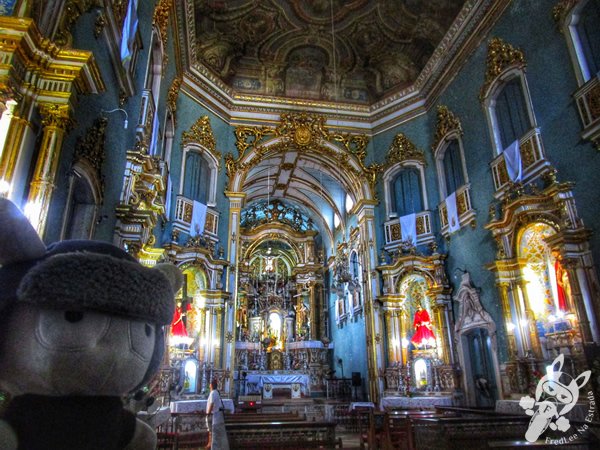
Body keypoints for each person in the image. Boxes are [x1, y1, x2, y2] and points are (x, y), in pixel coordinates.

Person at [206, 379, 229, 450]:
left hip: (213, 416)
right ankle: (211, 445)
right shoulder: (216, 392)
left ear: (211, 385)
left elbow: (212, 404)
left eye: (210, 384)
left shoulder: (213, 393)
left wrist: (208, 413)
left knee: (212, 432)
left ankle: (213, 446)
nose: (209, 386)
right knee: (212, 432)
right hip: (216, 416)